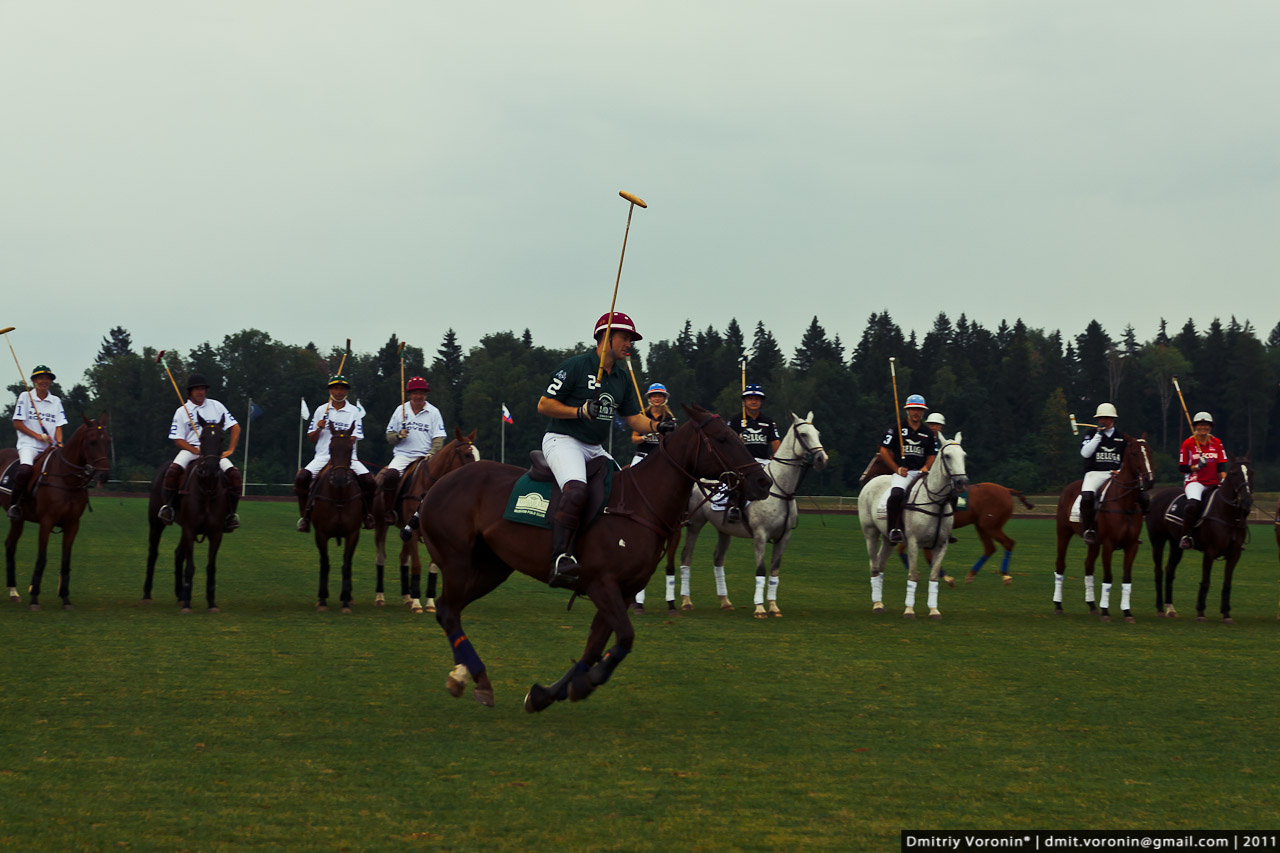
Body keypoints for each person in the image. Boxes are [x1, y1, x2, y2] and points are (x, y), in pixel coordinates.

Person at [537, 311, 671, 589]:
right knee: (576, 490)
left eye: (631, 339)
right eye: (624, 338)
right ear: (606, 337)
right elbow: (544, 404)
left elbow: (634, 419)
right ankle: (560, 558)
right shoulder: (576, 366)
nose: (629, 344)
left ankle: (608, 554)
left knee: (624, 491)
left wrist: (658, 426)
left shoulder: (621, 378)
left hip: (594, 447)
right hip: (563, 439)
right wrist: (579, 411)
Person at [157, 374, 243, 530]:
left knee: (235, 475)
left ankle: (230, 515)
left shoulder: (217, 406)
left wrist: (230, 449)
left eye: (202, 389)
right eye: (196, 389)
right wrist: (195, 450)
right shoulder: (182, 411)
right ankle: (168, 507)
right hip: (191, 449)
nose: (200, 392)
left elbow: (235, 427)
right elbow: (178, 440)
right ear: (190, 392)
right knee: (172, 472)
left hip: (213, 453)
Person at [295, 375, 376, 533]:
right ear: (330, 391)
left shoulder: (354, 411)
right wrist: (319, 428)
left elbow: (354, 437)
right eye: (335, 388)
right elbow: (311, 438)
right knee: (301, 478)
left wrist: (340, 440)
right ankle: (305, 517)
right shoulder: (321, 410)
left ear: (346, 391)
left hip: (347, 458)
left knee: (370, 482)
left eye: (342, 389)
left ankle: (367, 515)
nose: (339, 392)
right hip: (323, 456)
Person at [379, 376, 447, 521]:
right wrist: (399, 436)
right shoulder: (400, 410)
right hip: (403, 455)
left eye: (421, 393)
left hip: (425, 456)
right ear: (409, 395)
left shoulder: (433, 412)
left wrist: (433, 453)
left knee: (444, 481)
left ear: (426, 394)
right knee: (390, 476)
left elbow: (438, 438)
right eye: (415, 393)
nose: (418, 396)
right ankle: (389, 510)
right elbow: (389, 436)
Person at [8, 365, 68, 520]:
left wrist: (59, 442)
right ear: (34, 381)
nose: (44, 381)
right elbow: (17, 423)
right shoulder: (25, 397)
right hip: (29, 445)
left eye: (47, 378)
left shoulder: (55, 401)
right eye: (41, 378)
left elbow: (59, 426)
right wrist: (38, 436)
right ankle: (15, 505)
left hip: (50, 447)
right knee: (24, 471)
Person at [877, 394, 939, 544]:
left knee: (942, 492)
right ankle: (893, 529)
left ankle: (943, 529)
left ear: (923, 412)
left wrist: (926, 467)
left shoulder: (928, 433)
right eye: (913, 409)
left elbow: (932, 454)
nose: (916, 412)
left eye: (919, 409)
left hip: (922, 473)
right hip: (903, 473)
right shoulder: (897, 429)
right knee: (896, 495)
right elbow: (883, 450)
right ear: (907, 411)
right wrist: (896, 469)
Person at [724, 384, 782, 523]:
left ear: (761, 401)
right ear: (744, 401)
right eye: (750, 398)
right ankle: (734, 507)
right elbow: (726, 442)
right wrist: (737, 440)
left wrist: (776, 455)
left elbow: (775, 441)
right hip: (743, 463)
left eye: (757, 399)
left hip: (763, 461)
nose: (754, 401)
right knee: (738, 482)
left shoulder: (768, 422)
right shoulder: (736, 421)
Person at [1078, 402, 1127, 545]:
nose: (1102, 421)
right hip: (1095, 474)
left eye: (1105, 418)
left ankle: (1131, 530)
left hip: (1115, 474)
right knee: (1087, 497)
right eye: (1100, 418)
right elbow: (1085, 453)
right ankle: (1089, 530)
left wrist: (1120, 471)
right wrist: (1098, 436)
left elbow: (1126, 459)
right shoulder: (1091, 434)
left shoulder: (1121, 437)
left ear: (1113, 419)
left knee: (1135, 494)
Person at [1177, 412, 1228, 550]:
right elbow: (1182, 467)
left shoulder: (1217, 443)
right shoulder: (1188, 443)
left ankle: (1231, 537)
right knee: (1192, 506)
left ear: (1210, 427)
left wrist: (1224, 479)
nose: (1203, 427)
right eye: (1200, 425)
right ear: (1195, 426)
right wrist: (1197, 466)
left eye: (1206, 425)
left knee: (1228, 503)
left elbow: (1221, 466)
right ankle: (1186, 536)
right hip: (1195, 482)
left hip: (1214, 482)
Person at [630, 382, 676, 466]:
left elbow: (672, 443)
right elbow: (634, 439)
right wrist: (644, 438)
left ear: (664, 398)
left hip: (661, 457)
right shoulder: (642, 416)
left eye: (660, 396)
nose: (657, 399)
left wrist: (662, 438)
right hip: (642, 456)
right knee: (631, 473)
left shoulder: (669, 419)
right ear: (649, 398)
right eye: (654, 396)